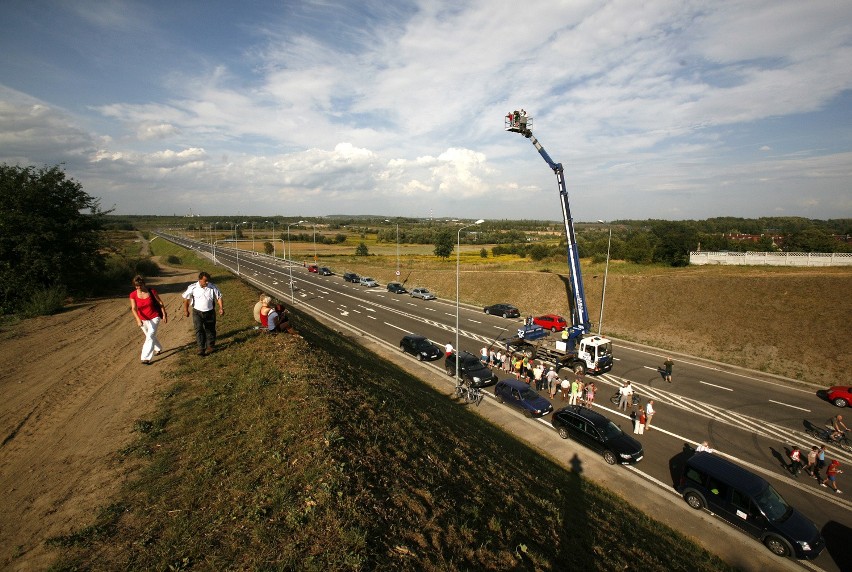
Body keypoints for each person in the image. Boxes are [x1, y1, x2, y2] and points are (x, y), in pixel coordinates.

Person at [182, 271, 224, 356]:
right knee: (199, 329)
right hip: (197, 312)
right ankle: (201, 348)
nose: (207, 282)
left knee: (210, 329)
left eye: (208, 280)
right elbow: (186, 299)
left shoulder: (212, 287)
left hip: (210, 312)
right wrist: (186, 310)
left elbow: (219, 297)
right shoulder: (192, 287)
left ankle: (210, 347)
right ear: (200, 280)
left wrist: (221, 308)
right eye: (205, 281)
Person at [129, 275, 167, 365]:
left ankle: (145, 358)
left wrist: (164, 314)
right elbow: (133, 309)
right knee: (149, 335)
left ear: (144, 284)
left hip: (154, 317)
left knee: (150, 336)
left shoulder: (152, 291)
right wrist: (138, 320)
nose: (138, 287)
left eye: (140, 285)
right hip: (143, 319)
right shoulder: (133, 294)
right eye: (136, 286)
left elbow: (160, 303)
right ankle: (158, 348)